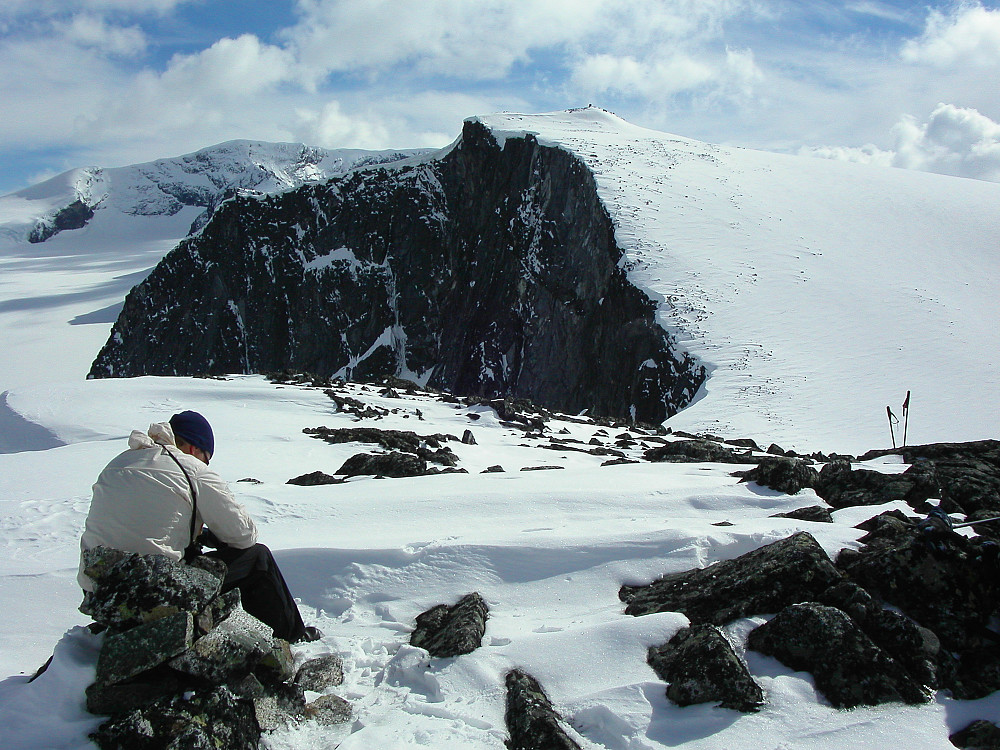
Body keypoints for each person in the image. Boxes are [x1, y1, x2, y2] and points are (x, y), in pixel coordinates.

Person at [78, 410, 320, 642]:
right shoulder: (192, 470)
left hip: (98, 592)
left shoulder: (117, 463)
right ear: (194, 449)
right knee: (258, 558)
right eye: (207, 457)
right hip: (151, 593)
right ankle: (290, 636)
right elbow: (244, 536)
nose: (207, 463)